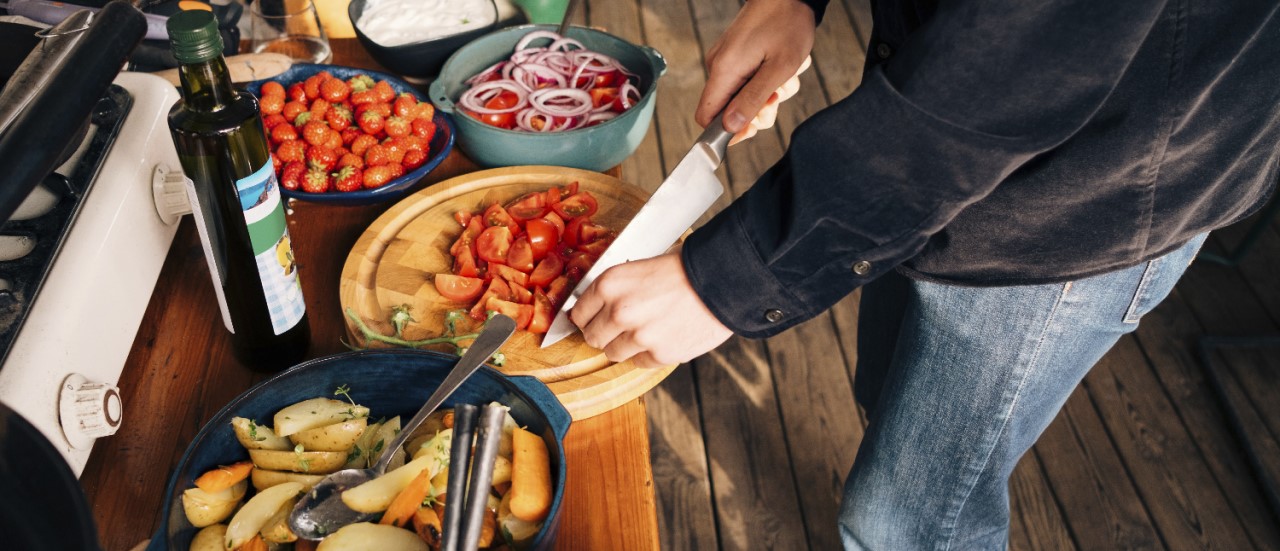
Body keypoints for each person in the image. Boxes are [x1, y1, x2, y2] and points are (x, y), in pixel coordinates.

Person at [567, 0, 1280, 548]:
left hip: (1080, 196)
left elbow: (1017, 60)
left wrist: (729, 277)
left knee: (904, 524)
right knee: (886, 390)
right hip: (920, 157)